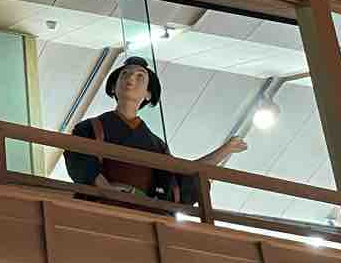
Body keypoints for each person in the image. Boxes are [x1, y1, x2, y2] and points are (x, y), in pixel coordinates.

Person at [65, 56, 247, 206]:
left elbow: (178, 179)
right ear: (113, 87)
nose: (131, 79)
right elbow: (80, 161)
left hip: (143, 212)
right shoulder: (90, 127)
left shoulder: (157, 144)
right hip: (100, 206)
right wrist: (106, 188)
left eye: (140, 77)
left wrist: (224, 150)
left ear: (148, 94)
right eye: (125, 74)